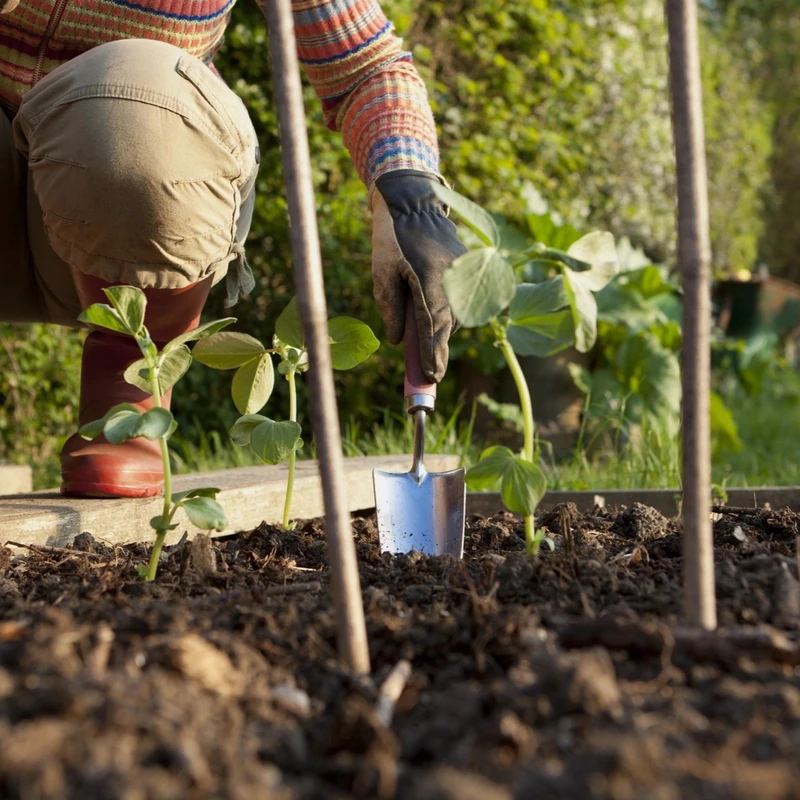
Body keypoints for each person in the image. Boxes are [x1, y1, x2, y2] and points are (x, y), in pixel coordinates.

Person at [0, 0, 466, 498]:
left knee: (134, 102)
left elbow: (366, 65)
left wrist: (408, 195)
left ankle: (129, 387)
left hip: (127, 207)